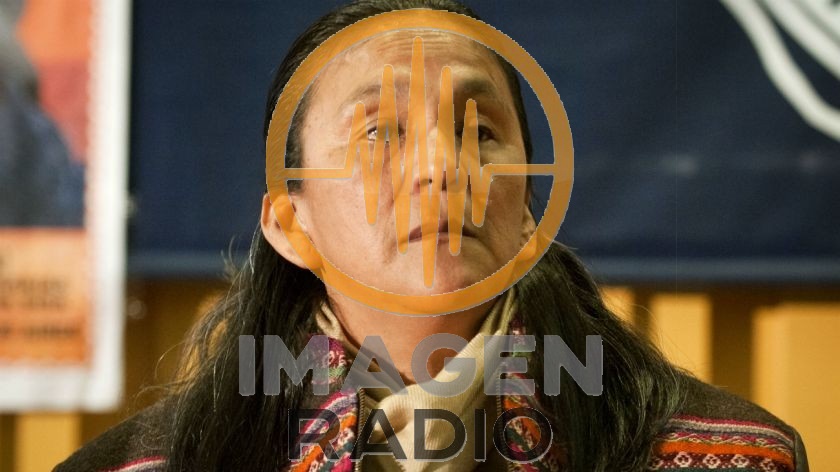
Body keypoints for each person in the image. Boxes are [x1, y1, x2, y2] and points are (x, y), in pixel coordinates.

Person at [56, 1, 809, 471]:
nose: (443, 168)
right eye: (380, 133)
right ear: (290, 223)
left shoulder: (729, 457)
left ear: (527, 213)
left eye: (480, 131)